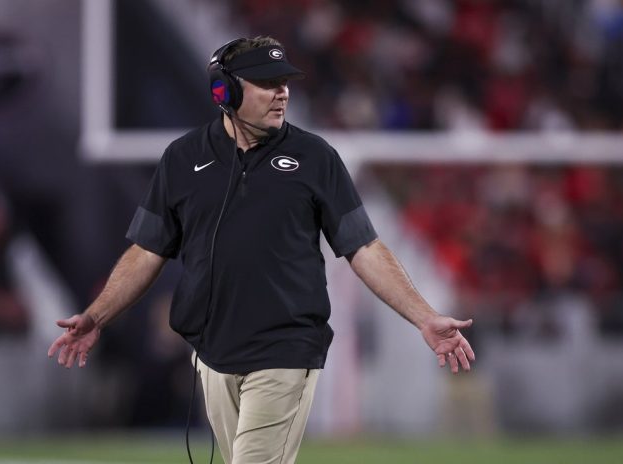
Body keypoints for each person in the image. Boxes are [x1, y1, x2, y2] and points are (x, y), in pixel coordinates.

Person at [48, 36, 476, 464]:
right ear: (225, 91)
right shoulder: (182, 159)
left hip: (286, 349)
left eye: (284, 83)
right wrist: (97, 316)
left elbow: (363, 247)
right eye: (267, 83)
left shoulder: (315, 158)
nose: (282, 93)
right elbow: (147, 251)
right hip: (212, 354)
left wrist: (425, 317)